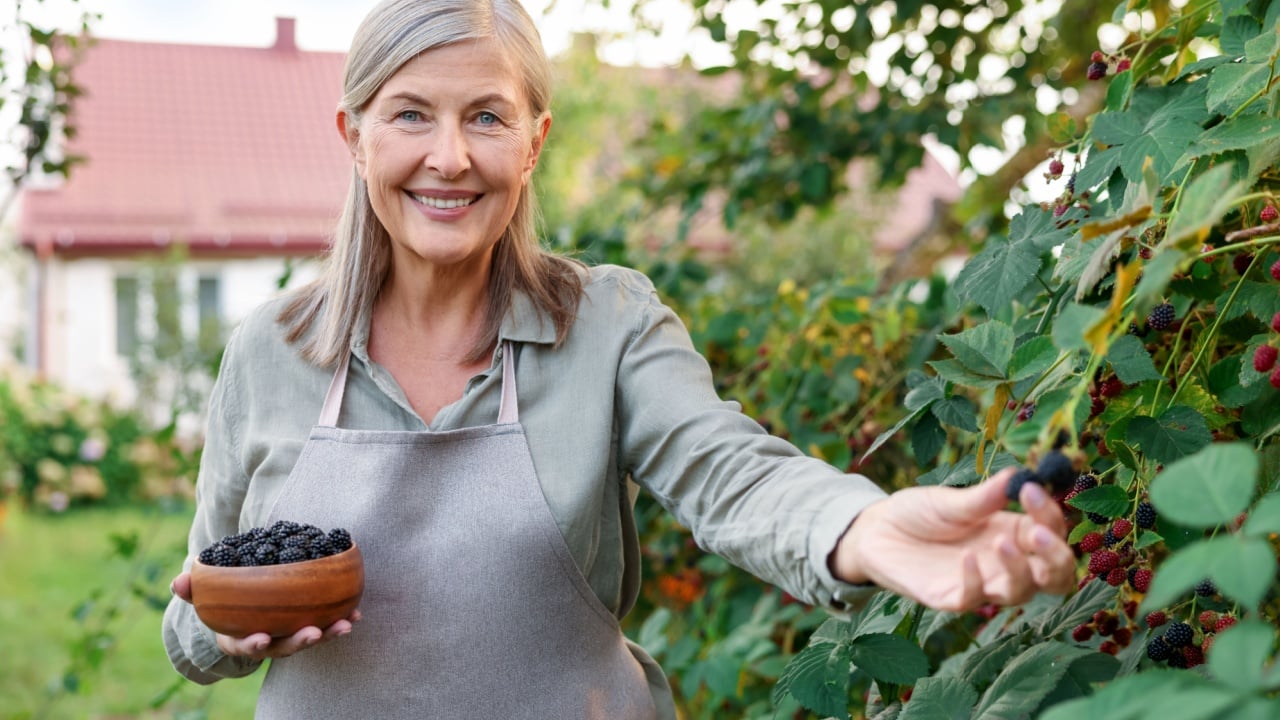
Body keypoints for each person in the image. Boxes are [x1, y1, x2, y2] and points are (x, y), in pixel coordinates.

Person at [162, 0, 1076, 717]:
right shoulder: (270, 353)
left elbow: (732, 473)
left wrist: (861, 530)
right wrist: (224, 630)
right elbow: (197, 603)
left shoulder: (605, 323)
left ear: (533, 142)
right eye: (410, 115)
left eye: (486, 116)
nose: (449, 158)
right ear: (354, 136)